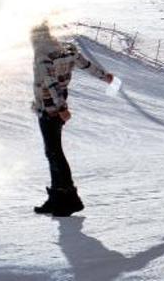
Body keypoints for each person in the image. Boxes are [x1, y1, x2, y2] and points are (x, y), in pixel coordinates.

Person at [31, 22, 113, 217]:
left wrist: (60, 109)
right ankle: (57, 198)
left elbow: (51, 84)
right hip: (55, 105)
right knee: (52, 152)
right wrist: (105, 76)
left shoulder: (43, 56)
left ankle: (70, 200)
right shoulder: (66, 50)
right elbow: (86, 65)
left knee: (55, 152)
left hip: (50, 107)